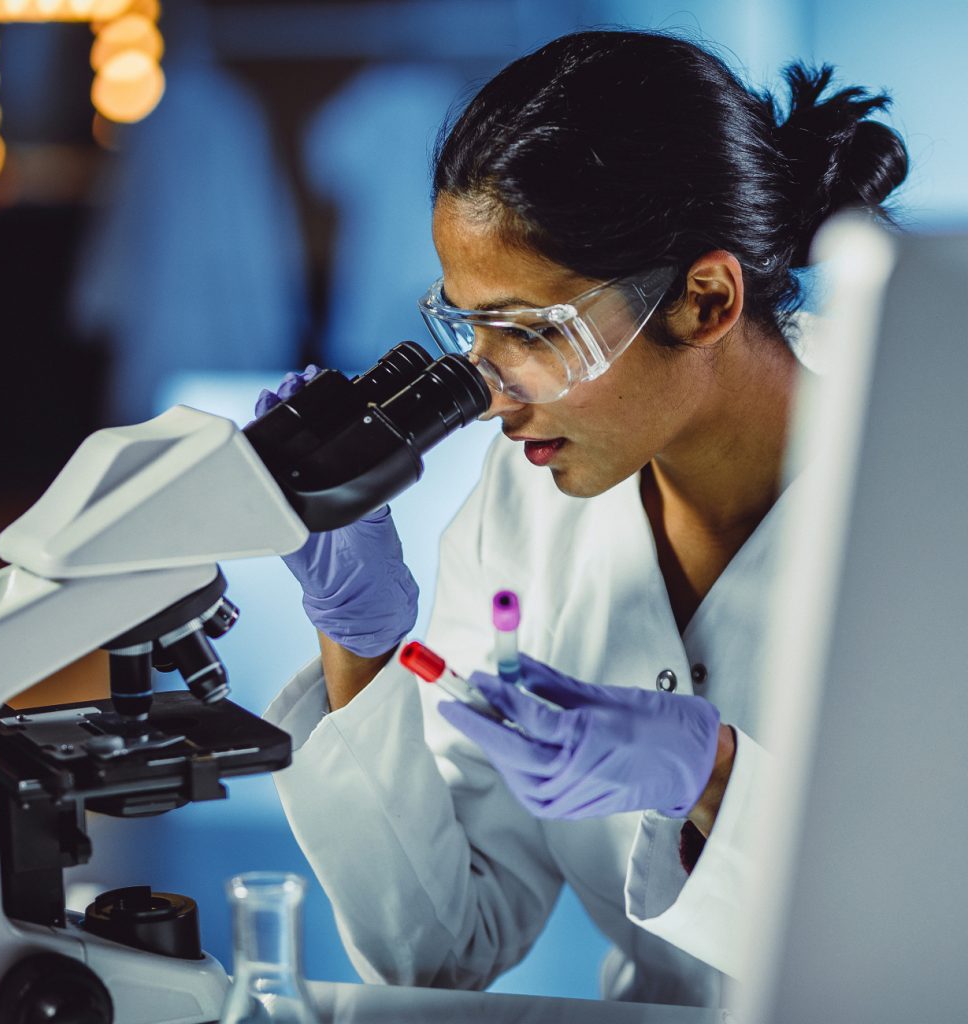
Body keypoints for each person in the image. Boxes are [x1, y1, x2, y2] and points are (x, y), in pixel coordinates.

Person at [260, 30, 907, 1006]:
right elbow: (440, 954)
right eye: (467, 327)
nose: (488, 393)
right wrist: (361, 647)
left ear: (704, 299)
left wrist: (715, 776)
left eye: (527, 332)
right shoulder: (525, 499)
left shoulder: (928, 485)